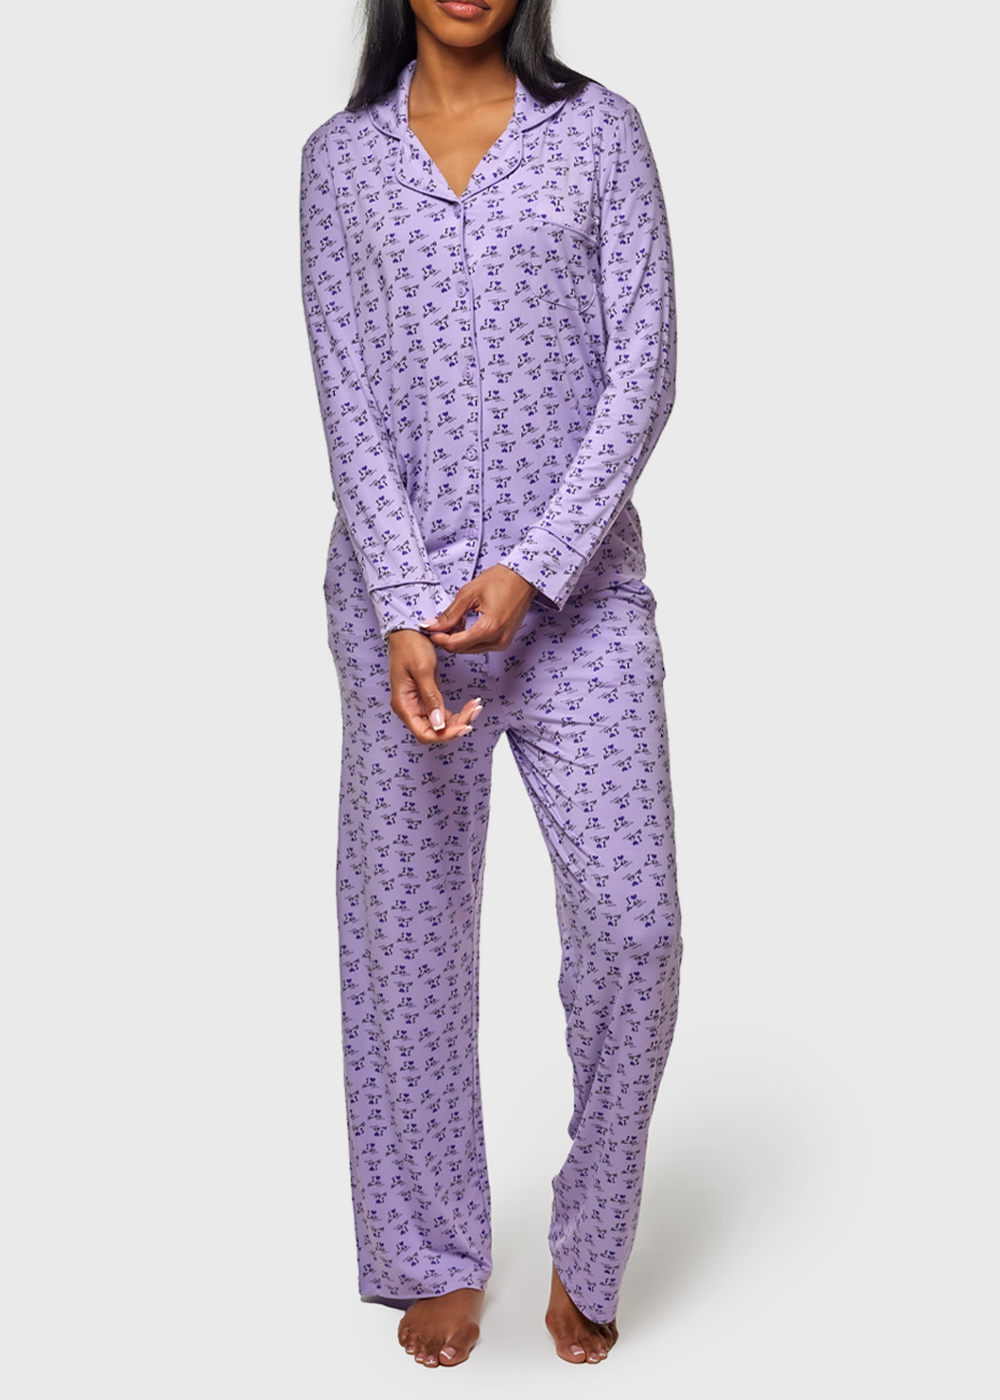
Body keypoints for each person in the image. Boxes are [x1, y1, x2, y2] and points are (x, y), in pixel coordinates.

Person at [299, 0, 682, 1369]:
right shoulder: (339, 162)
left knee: (636, 928)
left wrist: (535, 566)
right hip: (402, 612)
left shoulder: (600, 137)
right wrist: (405, 605)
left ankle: (592, 1239)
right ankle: (430, 1252)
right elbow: (345, 396)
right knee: (405, 936)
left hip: (580, 603)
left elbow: (643, 371)